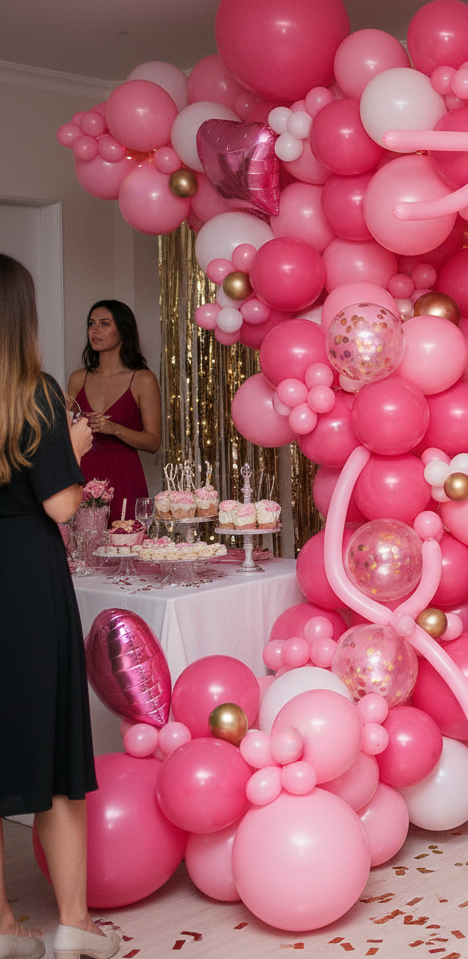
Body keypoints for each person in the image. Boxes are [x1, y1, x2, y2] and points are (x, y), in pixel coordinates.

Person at [0, 256, 120, 959]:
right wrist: (71, 450)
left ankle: (4, 929)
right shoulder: (37, 392)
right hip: (26, 575)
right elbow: (61, 506)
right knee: (56, 753)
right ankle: (74, 924)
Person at [66, 301, 160, 525]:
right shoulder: (78, 378)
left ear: (123, 330)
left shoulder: (143, 379)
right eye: (91, 324)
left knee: (126, 540)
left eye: (104, 324)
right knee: (84, 542)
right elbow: (65, 432)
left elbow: (153, 442)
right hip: (83, 474)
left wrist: (114, 429)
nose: (95, 330)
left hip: (124, 474)